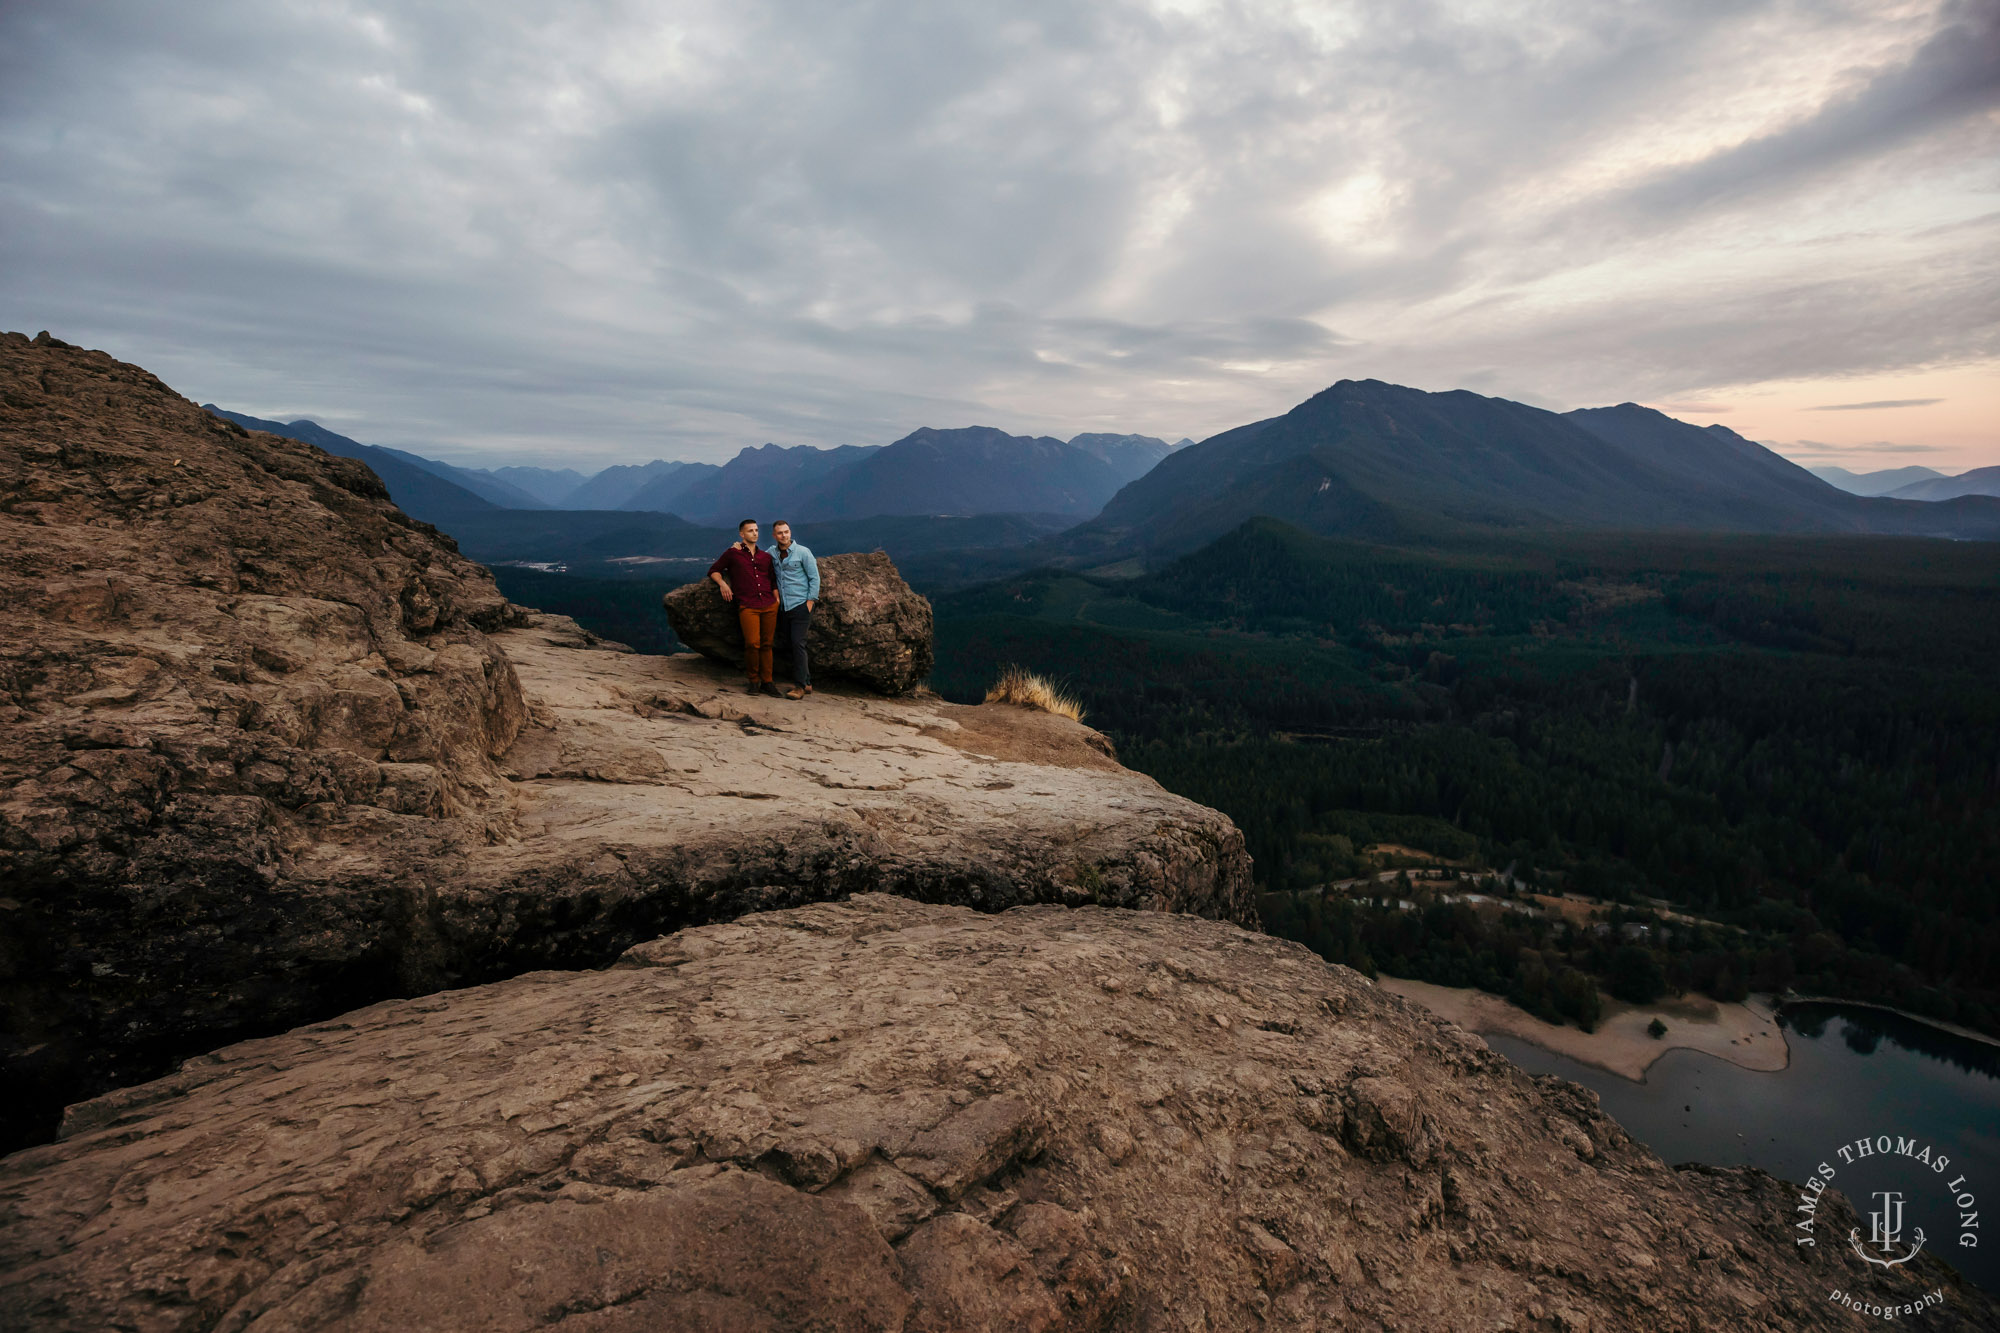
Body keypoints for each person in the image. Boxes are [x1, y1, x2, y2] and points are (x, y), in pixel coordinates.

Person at [708, 519, 781, 696]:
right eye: (750, 531)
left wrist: (776, 599)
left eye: (756, 530)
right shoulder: (733, 554)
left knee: (767, 644)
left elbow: (772, 580)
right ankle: (754, 681)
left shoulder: (765, 557)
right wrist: (723, 584)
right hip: (748, 605)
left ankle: (768, 682)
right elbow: (714, 570)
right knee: (752, 644)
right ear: (742, 534)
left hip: (769, 604)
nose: (755, 533)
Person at [768, 519, 819, 700]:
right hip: (783, 607)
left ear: (790, 532)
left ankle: (799, 687)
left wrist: (810, 602)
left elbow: (814, 578)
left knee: (798, 643)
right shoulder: (771, 554)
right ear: (774, 536)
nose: (784, 535)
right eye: (780, 533)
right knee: (790, 644)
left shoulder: (803, 552)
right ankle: (807, 682)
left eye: (787, 532)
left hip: (800, 605)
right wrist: (739, 548)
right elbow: (754, 558)